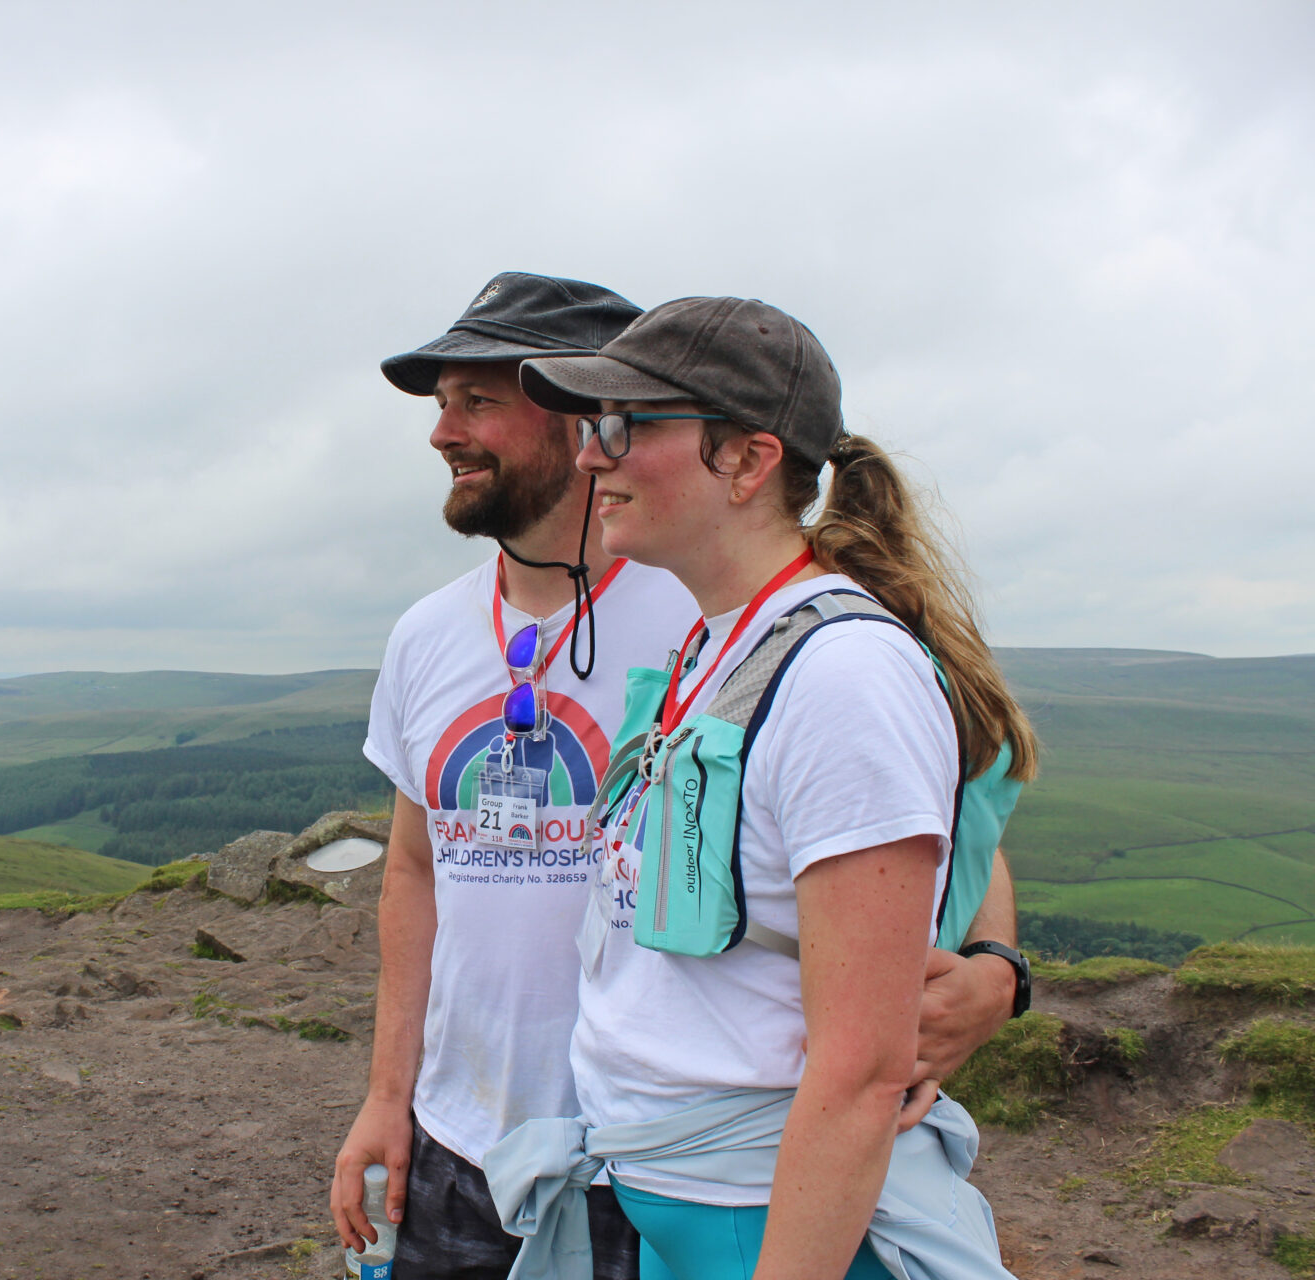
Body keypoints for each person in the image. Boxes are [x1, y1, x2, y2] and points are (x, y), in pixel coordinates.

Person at [334, 276, 1029, 1280]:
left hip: (713, 1179)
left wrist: (996, 968)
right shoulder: (691, 640)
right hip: (523, 1153)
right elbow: (417, 869)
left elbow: (933, 838)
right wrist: (389, 1094)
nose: (446, 433)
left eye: (479, 400)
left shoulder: (789, 644)